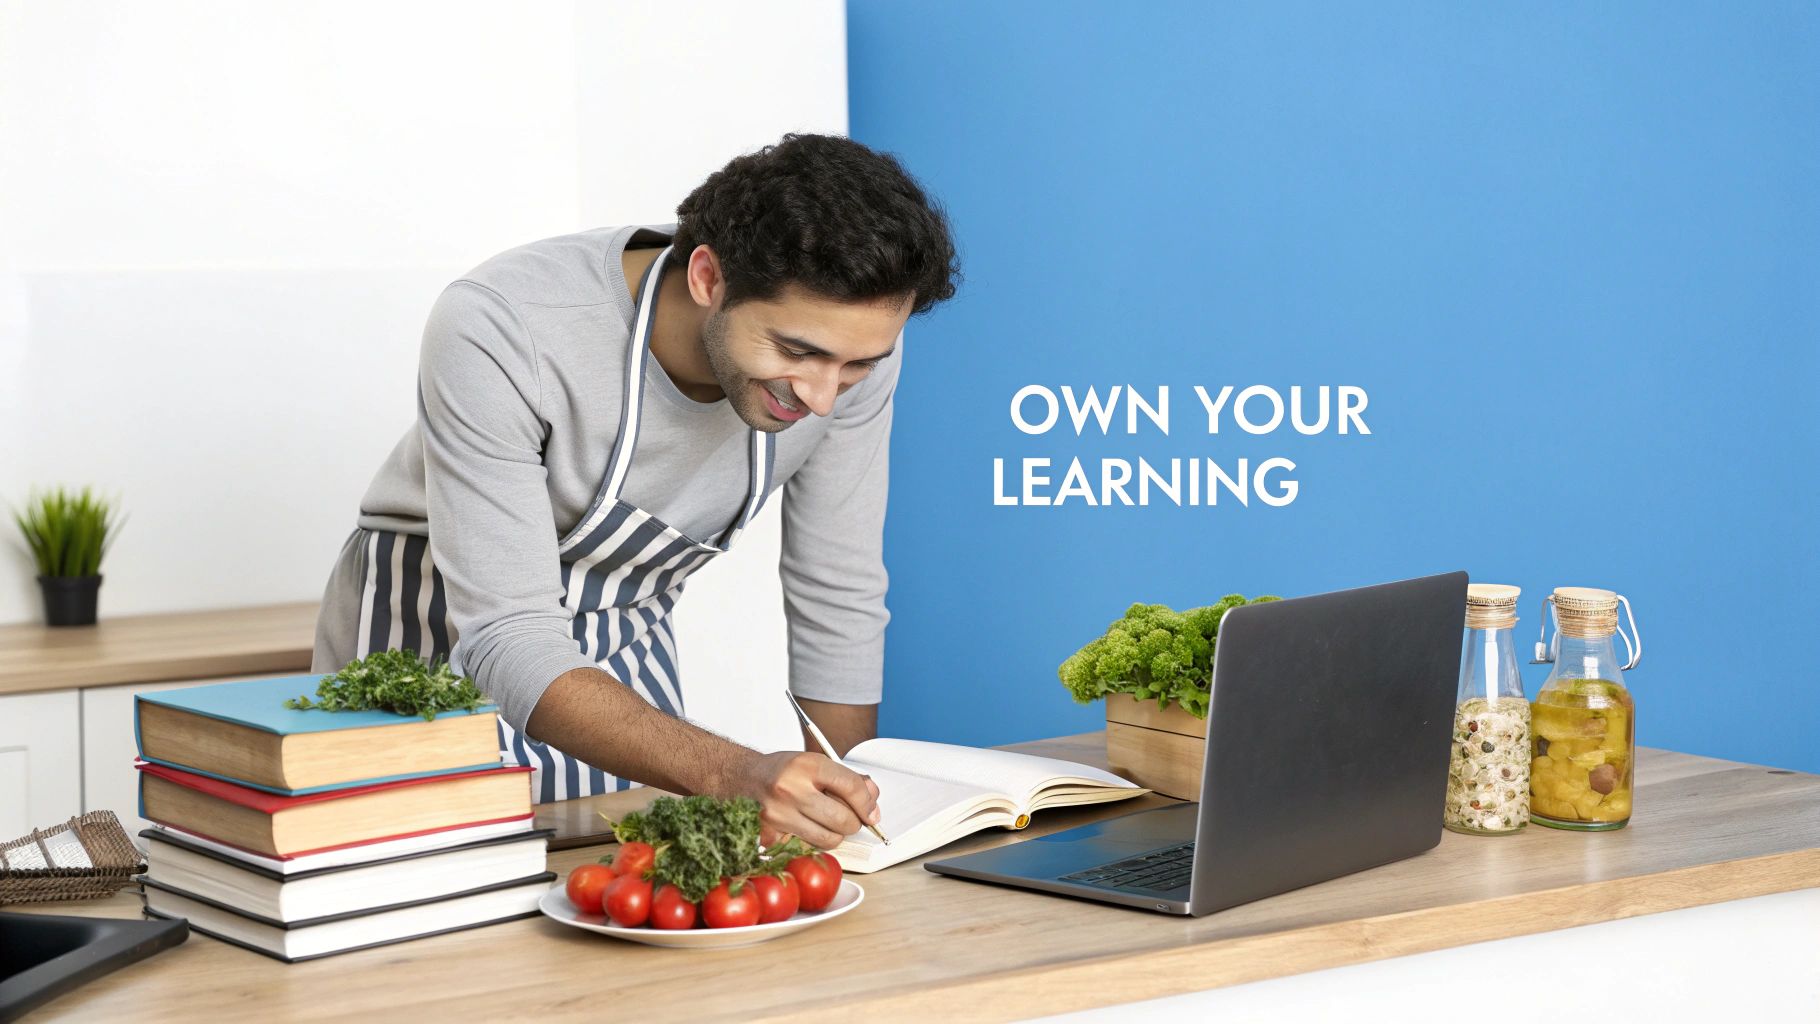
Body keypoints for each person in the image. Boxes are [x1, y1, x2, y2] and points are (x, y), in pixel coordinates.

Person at [311, 133, 959, 850]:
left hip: (624, 650)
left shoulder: (848, 349)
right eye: (795, 352)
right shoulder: (505, 323)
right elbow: (507, 634)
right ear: (709, 279)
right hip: (429, 630)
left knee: (617, 915)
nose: (823, 397)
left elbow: (836, 589)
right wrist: (736, 772)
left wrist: (844, 811)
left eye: (856, 366)